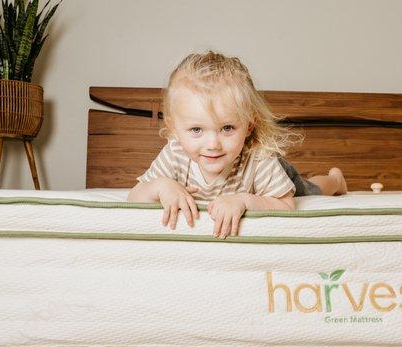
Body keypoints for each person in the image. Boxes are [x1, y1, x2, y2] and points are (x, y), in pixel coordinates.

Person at [127, 51, 347, 238]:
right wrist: (160, 187)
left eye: (227, 128)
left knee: (310, 189)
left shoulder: (259, 157)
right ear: (174, 128)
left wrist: (243, 200)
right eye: (196, 130)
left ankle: (336, 181)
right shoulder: (174, 154)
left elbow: (286, 205)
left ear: (249, 126)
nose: (213, 144)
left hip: (274, 178)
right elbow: (134, 197)